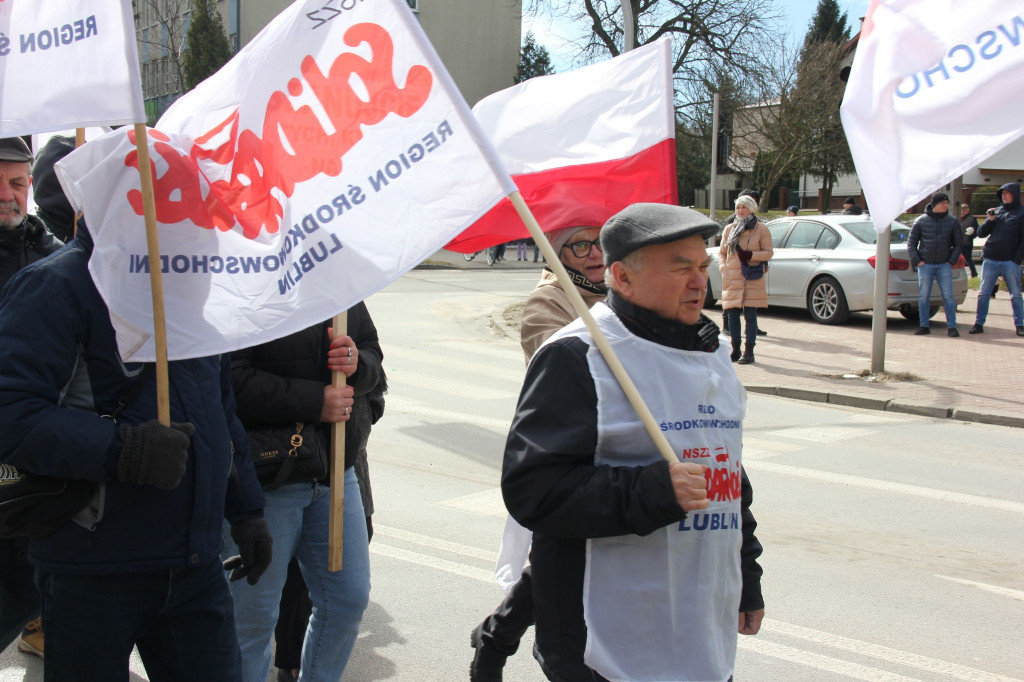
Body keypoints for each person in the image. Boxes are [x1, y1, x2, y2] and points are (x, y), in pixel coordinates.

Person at [0, 213, 270, 679]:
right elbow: (12, 413)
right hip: (93, 567)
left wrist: (247, 511)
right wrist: (121, 449)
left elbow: (219, 414)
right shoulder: (57, 284)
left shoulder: (191, 285)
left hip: (195, 563)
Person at [502, 203, 764, 682]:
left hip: (703, 626)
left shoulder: (713, 353)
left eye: (702, 266)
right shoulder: (577, 355)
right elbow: (532, 491)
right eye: (680, 267)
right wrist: (654, 491)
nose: (697, 281)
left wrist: (746, 577)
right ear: (621, 277)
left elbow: (728, 476)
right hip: (604, 643)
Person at [471, 225, 608, 681]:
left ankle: (493, 638)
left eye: (602, 242)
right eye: (581, 245)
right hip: (566, 459)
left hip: (615, 455)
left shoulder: (617, 290)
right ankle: (500, 644)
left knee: (561, 564)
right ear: (557, 253)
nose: (596, 254)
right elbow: (558, 375)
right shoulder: (547, 304)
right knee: (561, 560)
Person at [226, 302, 384, 682]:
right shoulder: (249, 282)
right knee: (252, 620)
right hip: (268, 481)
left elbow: (373, 356)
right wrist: (316, 401)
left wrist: (356, 363)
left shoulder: (339, 285)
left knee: (347, 601)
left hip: (334, 473)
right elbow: (230, 380)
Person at [0, 136, 64, 661]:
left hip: (36, 468)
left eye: (18, 183)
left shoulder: (53, 257)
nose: (8, 195)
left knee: (31, 586)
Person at [719, 195, 773, 364]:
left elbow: (769, 252)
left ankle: (749, 351)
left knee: (750, 314)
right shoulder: (729, 229)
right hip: (732, 276)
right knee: (732, 314)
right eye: (738, 207)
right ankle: (735, 349)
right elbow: (722, 252)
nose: (740, 211)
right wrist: (723, 268)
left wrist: (751, 255)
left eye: (744, 207)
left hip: (752, 276)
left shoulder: (761, 229)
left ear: (751, 209)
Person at [969, 183, 1024, 336]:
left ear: (1015, 194)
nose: (1004, 196)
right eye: (1002, 193)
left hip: (1010, 261)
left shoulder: (1021, 213)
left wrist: (1016, 259)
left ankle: (1020, 325)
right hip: (991, 259)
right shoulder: (997, 212)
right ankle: (979, 324)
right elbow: (981, 233)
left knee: (1016, 295)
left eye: (1007, 193)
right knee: (984, 293)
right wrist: (990, 219)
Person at [908, 192, 963, 337]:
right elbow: (911, 243)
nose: (946, 205)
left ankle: (952, 326)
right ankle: (924, 325)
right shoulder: (920, 221)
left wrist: (951, 261)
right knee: (924, 295)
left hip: (944, 265)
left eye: (947, 203)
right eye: (943, 203)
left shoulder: (952, 221)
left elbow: (959, 244)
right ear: (934, 204)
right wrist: (918, 261)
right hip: (925, 265)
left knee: (948, 296)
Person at [960, 203, 979, 278]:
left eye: (964, 210)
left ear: (967, 211)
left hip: (967, 243)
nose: (962, 212)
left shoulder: (972, 219)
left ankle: (974, 273)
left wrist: (970, 237)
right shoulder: (957, 218)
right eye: (961, 210)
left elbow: (976, 231)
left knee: (968, 259)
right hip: (958, 243)